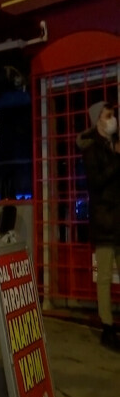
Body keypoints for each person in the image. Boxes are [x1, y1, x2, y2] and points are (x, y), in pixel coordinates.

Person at [76, 100, 120, 352]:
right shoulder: (92, 149)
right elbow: (96, 183)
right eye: (108, 115)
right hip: (104, 221)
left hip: (118, 220)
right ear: (99, 121)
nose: (113, 118)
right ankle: (107, 327)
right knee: (104, 278)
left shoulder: (111, 144)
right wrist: (117, 160)